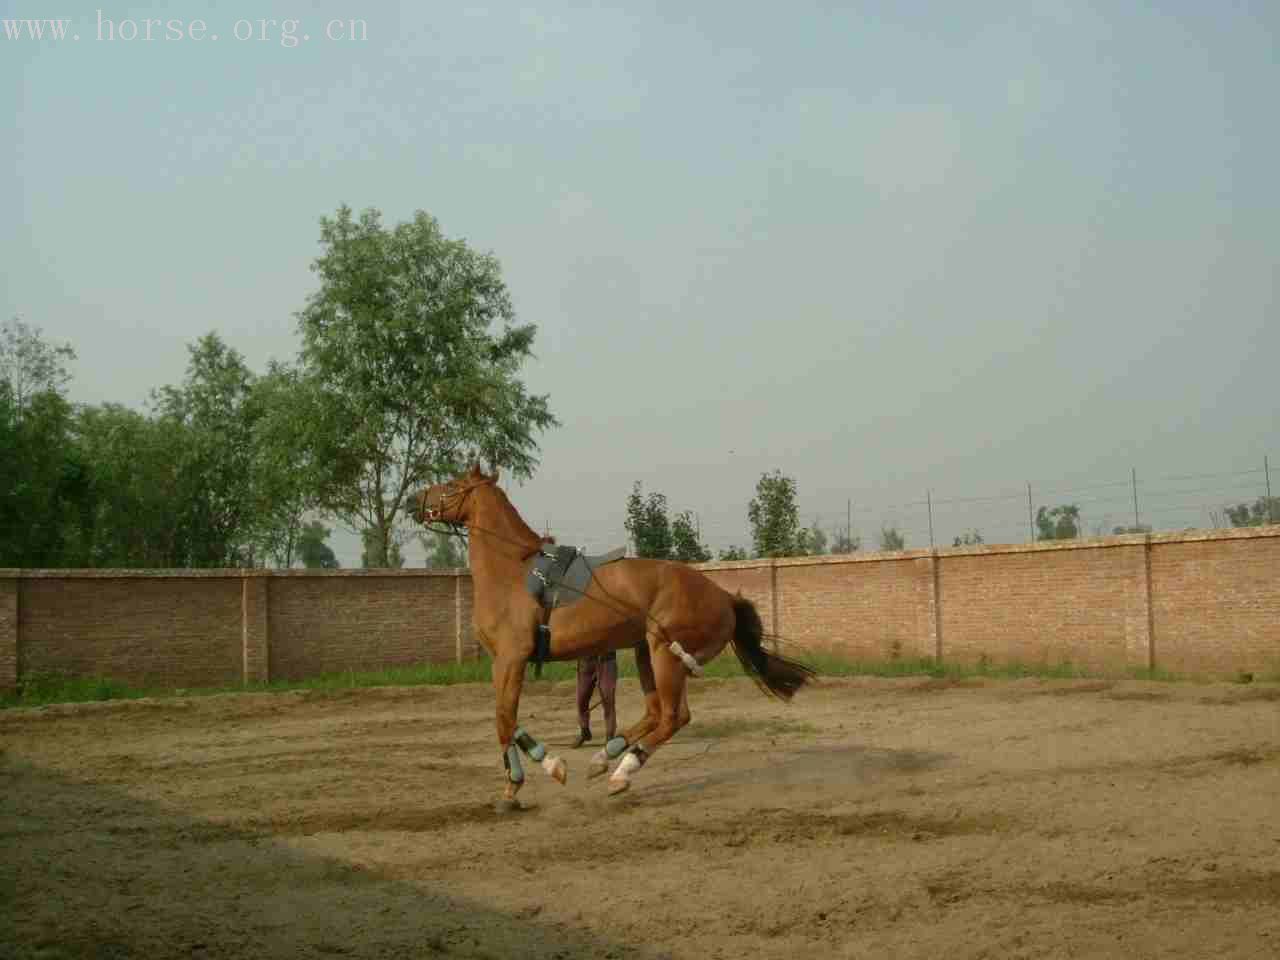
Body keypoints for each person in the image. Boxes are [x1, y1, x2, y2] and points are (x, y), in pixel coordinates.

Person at [573, 650, 617, 748]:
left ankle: (610, 736)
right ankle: (584, 731)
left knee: (608, 698)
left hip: (607, 659)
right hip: (585, 659)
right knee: (581, 699)